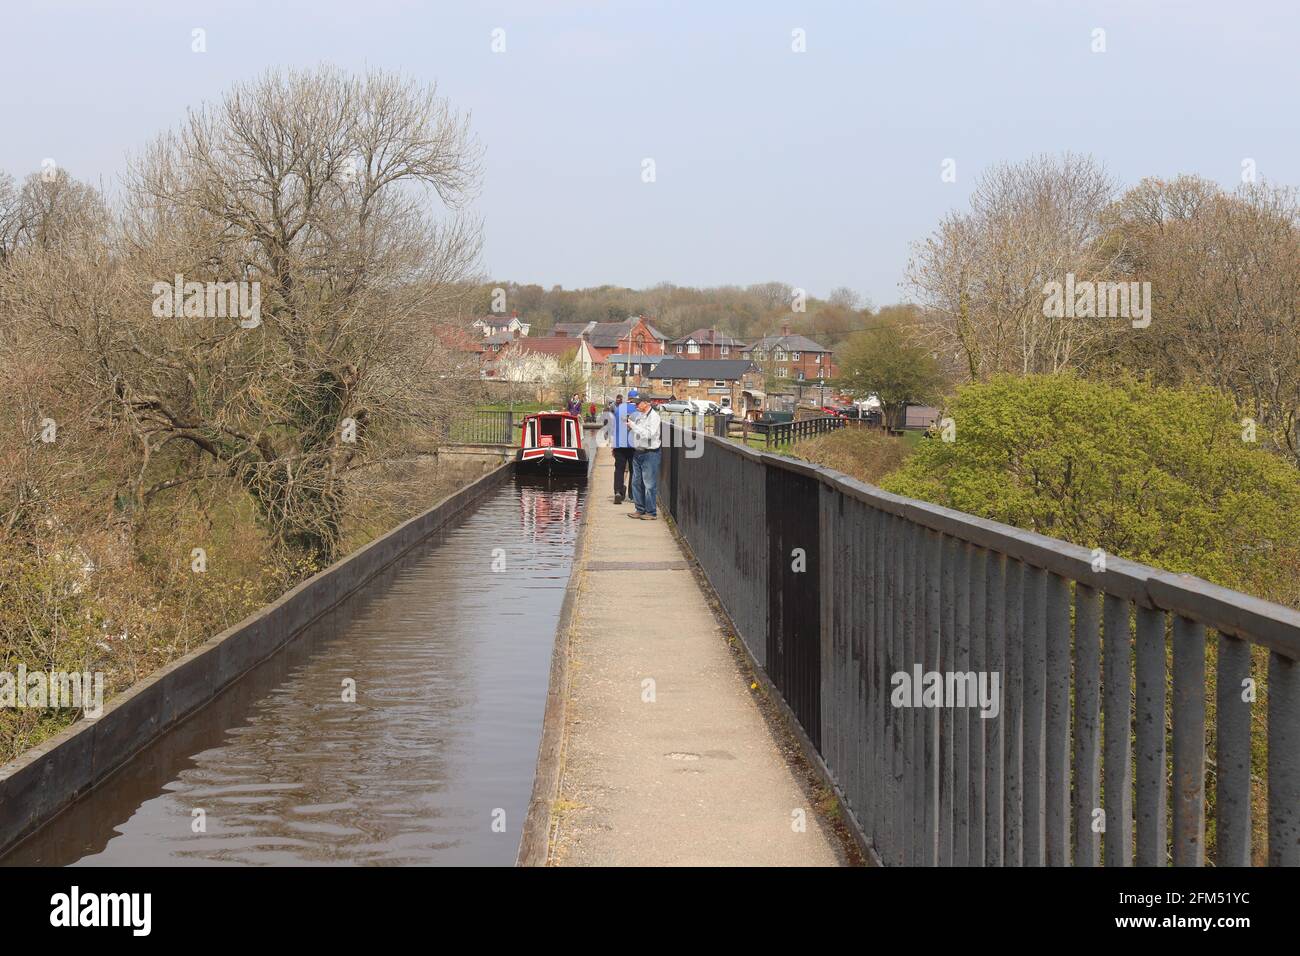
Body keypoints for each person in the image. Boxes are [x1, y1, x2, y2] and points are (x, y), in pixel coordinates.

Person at [625, 395, 662, 520]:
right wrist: (631, 427)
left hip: (650, 453)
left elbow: (649, 434)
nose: (636, 405)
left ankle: (651, 512)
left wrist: (634, 426)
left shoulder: (654, 417)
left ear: (646, 403)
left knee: (649, 484)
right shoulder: (640, 416)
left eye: (638, 403)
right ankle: (640, 509)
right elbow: (639, 432)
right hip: (638, 452)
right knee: (636, 483)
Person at [608, 390, 636, 504]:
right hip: (633, 445)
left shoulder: (619, 409)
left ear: (628, 398)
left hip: (620, 444)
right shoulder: (638, 410)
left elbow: (614, 428)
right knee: (634, 471)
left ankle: (618, 492)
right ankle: (632, 494)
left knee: (619, 469)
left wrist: (613, 446)